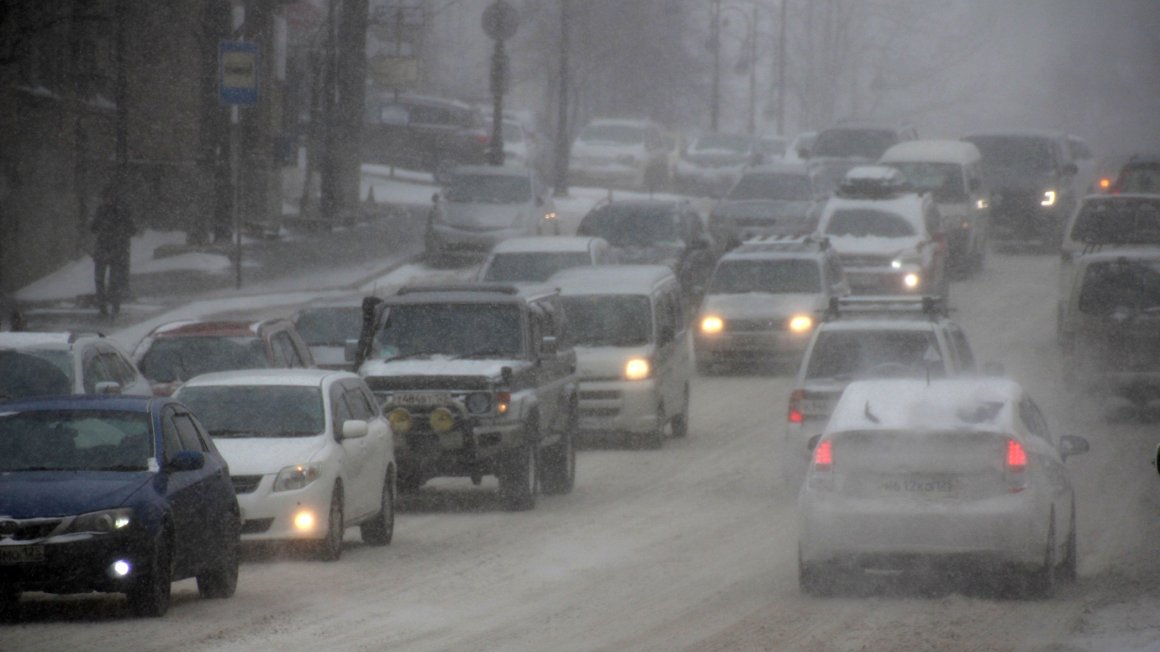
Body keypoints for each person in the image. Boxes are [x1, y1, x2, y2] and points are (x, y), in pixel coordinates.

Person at [91, 178, 134, 318]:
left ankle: (105, 307)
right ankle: (113, 306)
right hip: (116, 250)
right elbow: (132, 229)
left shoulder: (102, 210)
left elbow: (93, 228)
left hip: (105, 249)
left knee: (101, 280)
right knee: (112, 281)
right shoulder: (122, 211)